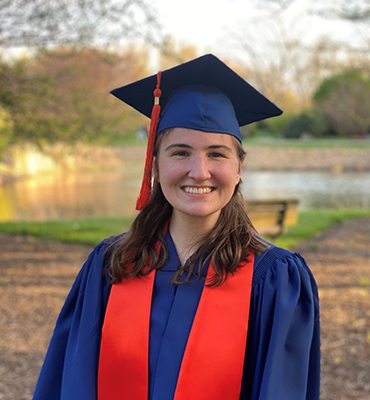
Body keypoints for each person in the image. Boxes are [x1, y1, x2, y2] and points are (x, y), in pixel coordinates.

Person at [32, 54, 320, 400]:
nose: (199, 171)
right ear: (154, 165)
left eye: (217, 154)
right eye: (180, 153)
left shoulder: (274, 280)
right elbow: (71, 383)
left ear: (240, 167)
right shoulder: (110, 268)